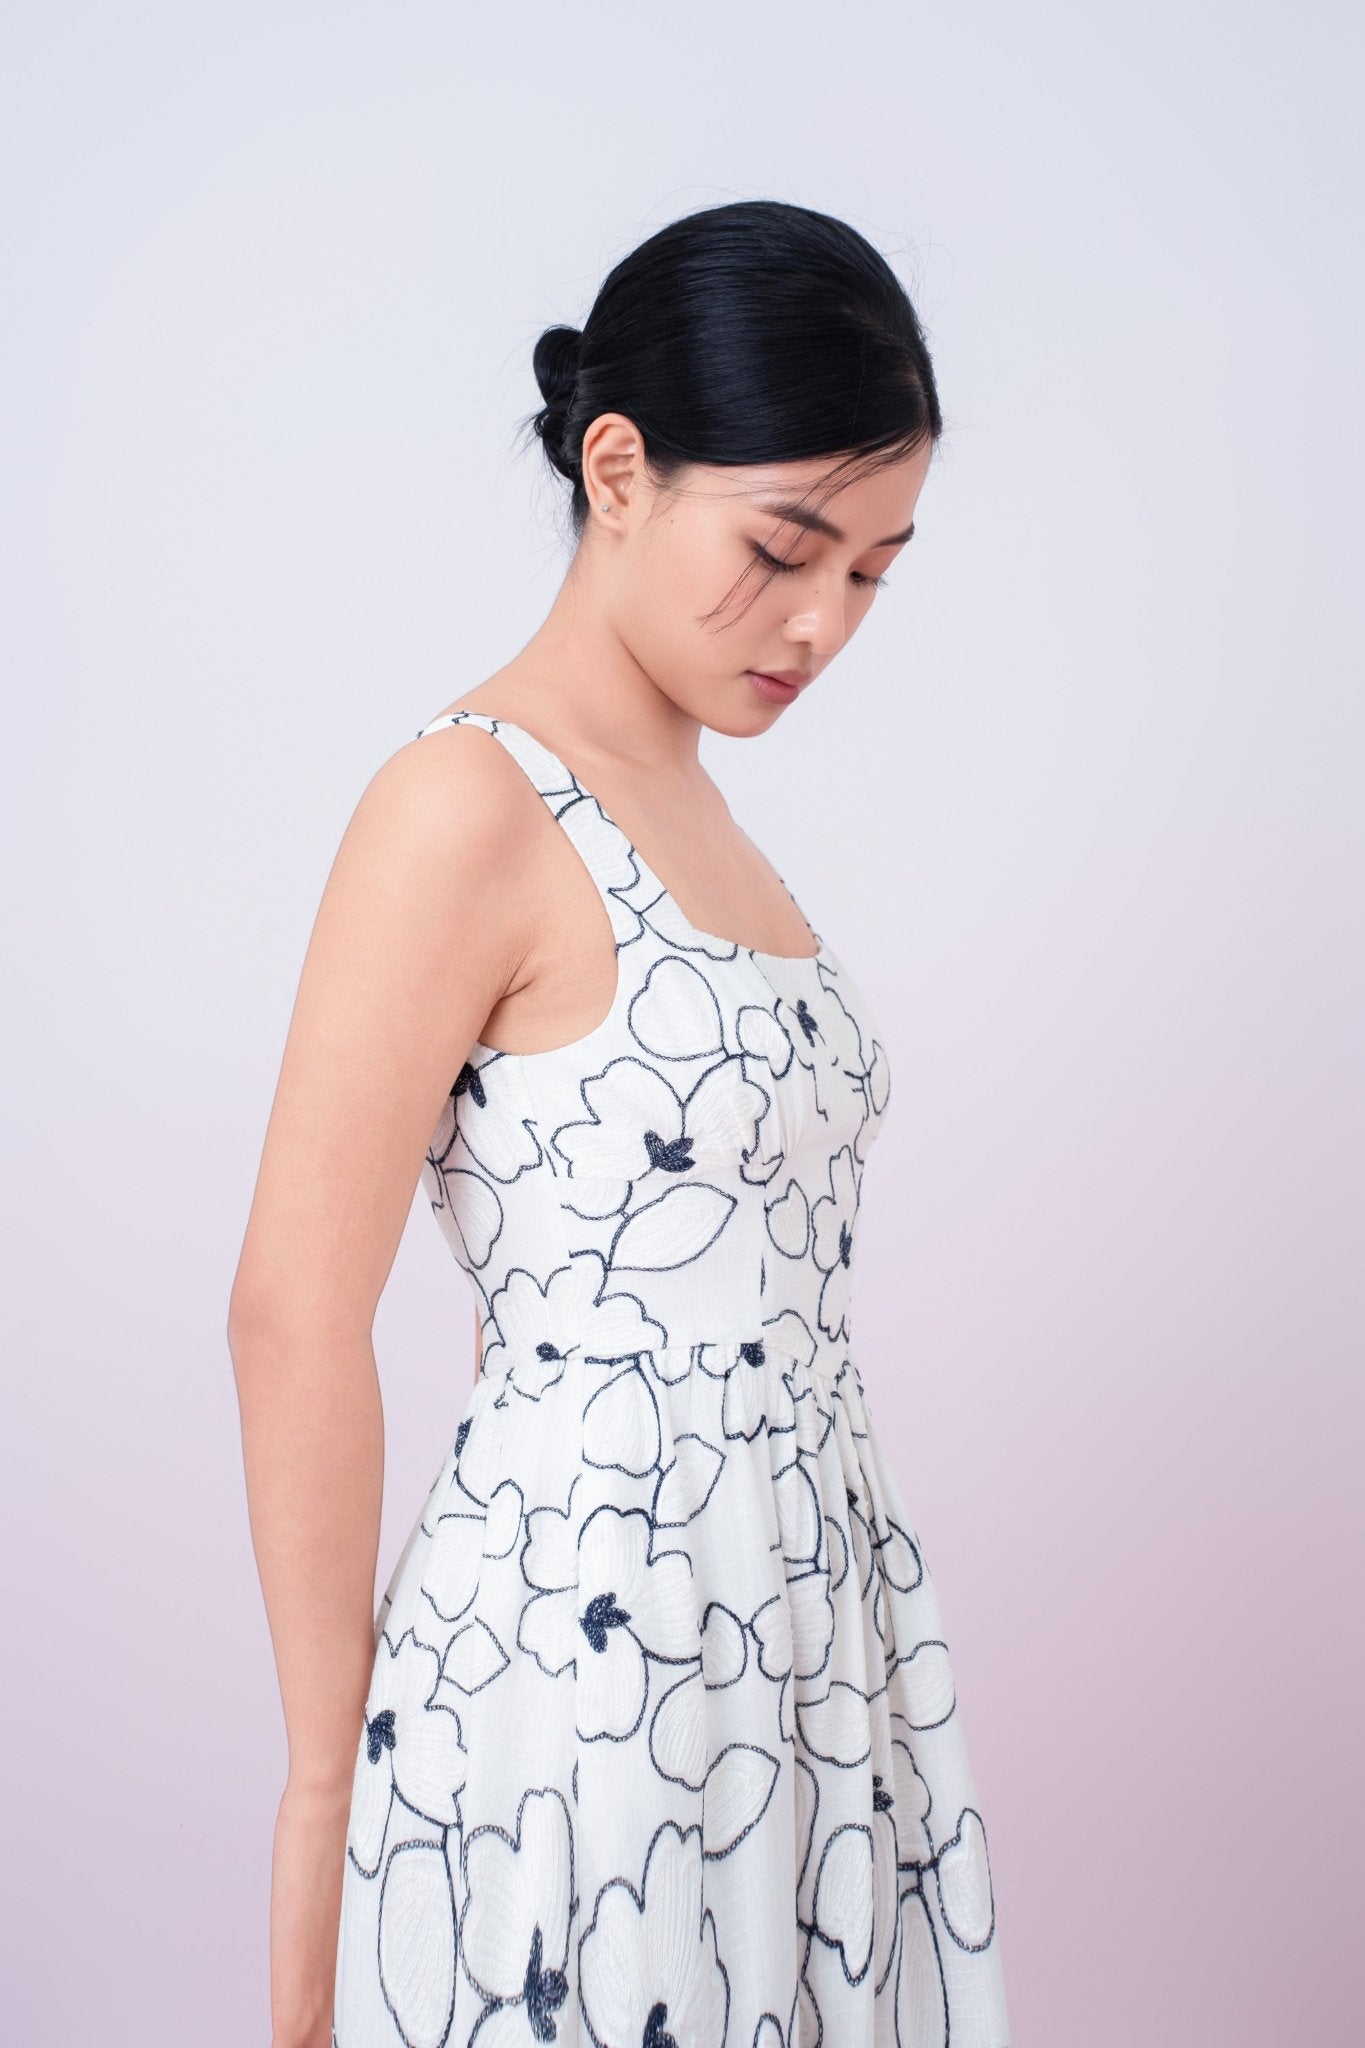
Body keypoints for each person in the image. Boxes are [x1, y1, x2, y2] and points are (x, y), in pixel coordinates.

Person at [229, 197, 1011, 2048]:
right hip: (589, 1654)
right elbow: (291, 1312)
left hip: (806, 1625)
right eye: (784, 550)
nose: (822, 624)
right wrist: (325, 1790)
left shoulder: (705, 808)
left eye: (873, 574)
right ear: (617, 470)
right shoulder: (464, 804)